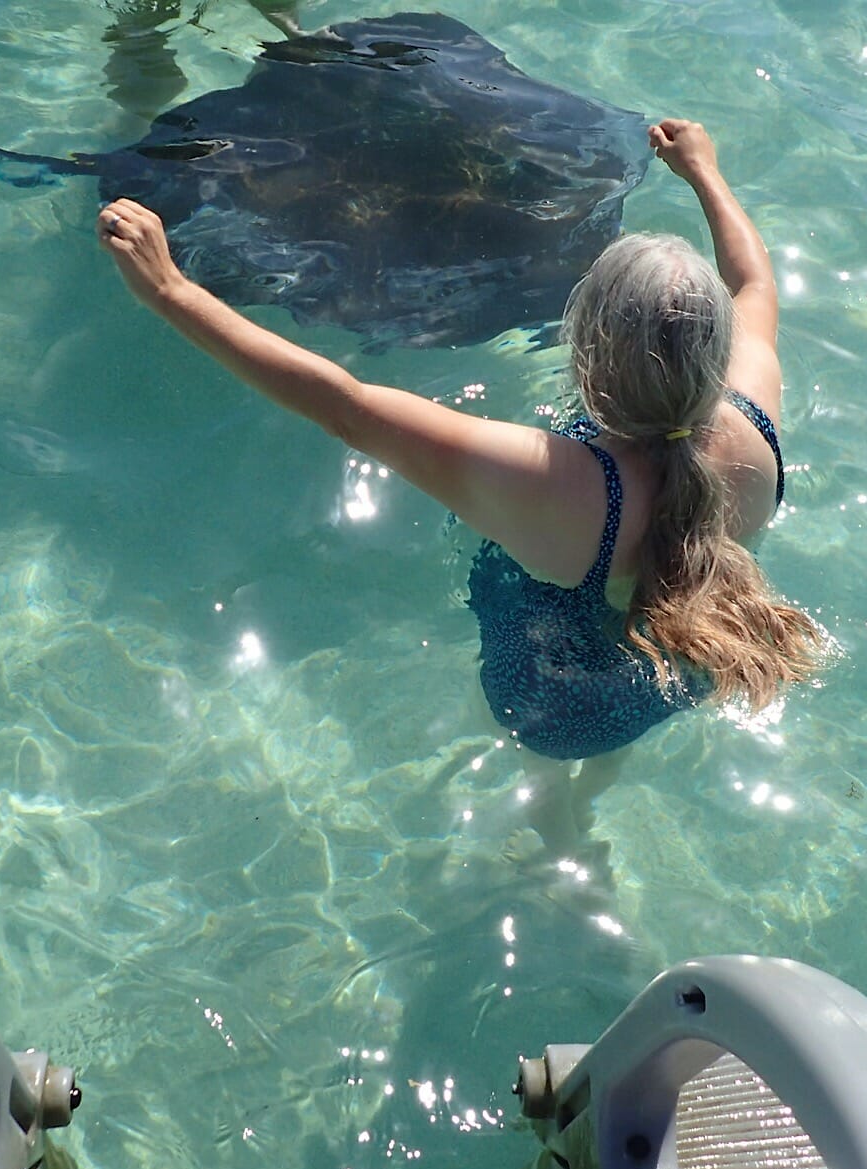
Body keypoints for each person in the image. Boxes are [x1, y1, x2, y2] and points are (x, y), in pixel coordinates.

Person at [96, 118, 826, 852]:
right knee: (642, 673)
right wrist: (705, 171)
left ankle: (550, 813)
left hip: (560, 698)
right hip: (691, 658)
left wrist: (171, 292)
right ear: (716, 353)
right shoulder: (751, 421)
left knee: (549, 747)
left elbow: (346, 406)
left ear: (590, 359)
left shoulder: (556, 485)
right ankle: (591, 800)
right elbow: (753, 282)